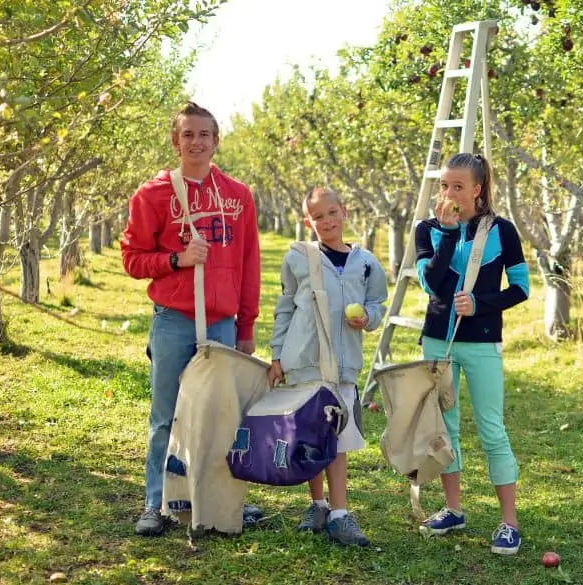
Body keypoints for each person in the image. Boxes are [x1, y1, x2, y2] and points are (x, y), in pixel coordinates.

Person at [121, 102, 264, 536]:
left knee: (221, 416)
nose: (196, 142)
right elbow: (131, 258)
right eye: (188, 134)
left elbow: (250, 262)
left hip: (220, 324)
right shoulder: (153, 195)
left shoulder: (237, 197)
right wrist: (176, 260)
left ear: (216, 141)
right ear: (175, 141)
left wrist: (245, 326)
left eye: (205, 134)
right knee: (166, 415)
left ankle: (218, 502)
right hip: (173, 320)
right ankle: (155, 503)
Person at [414, 153, 530, 555]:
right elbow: (432, 283)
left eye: (458, 187)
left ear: (477, 189)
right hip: (437, 342)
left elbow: (521, 288)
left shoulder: (502, 230)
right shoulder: (427, 228)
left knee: (491, 429)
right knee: (444, 429)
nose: (448, 194)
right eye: (444, 185)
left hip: (481, 343)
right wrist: (447, 233)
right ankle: (453, 508)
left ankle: (509, 522)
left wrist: (480, 304)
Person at [268, 187, 388, 547]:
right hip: (304, 361)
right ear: (309, 221)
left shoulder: (366, 262)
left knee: (338, 438)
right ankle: (317, 504)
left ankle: (340, 512)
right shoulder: (298, 257)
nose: (327, 221)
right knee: (310, 436)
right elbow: (285, 306)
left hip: (343, 365)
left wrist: (368, 317)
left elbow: (377, 303)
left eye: (332, 213)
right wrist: (276, 355)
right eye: (318, 217)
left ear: (344, 211)